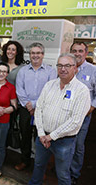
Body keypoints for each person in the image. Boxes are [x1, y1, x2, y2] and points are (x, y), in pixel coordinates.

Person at [29, 53, 90, 185]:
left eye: (67, 65)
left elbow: (75, 121)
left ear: (75, 68)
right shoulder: (49, 85)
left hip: (64, 142)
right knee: (38, 167)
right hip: (42, 137)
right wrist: (41, 134)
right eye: (60, 65)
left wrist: (51, 136)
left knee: (62, 175)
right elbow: (38, 109)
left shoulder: (82, 91)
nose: (63, 69)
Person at [15, 42, 57, 171]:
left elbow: (51, 91)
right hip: (25, 109)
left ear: (43, 55)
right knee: (25, 136)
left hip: (43, 110)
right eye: (33, 53)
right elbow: (19, 90)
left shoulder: (51, 71)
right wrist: (29, 106)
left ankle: (40, 166)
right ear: (30, 55)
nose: (35, 55)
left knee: (41, 138)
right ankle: (25, 160)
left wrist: (34, 105)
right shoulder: (23, 71)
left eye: (38, 53)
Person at [70, 42, 96, 185]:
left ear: (86, 53)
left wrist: (91, 108)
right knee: (65, 144)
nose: (77, 53)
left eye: (80, 51)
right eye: (74, 50)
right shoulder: (67, 68)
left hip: (83, 117)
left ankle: (74, 173)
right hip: (65, 115)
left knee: (78, 146)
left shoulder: (93, 70)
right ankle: (64, 168)